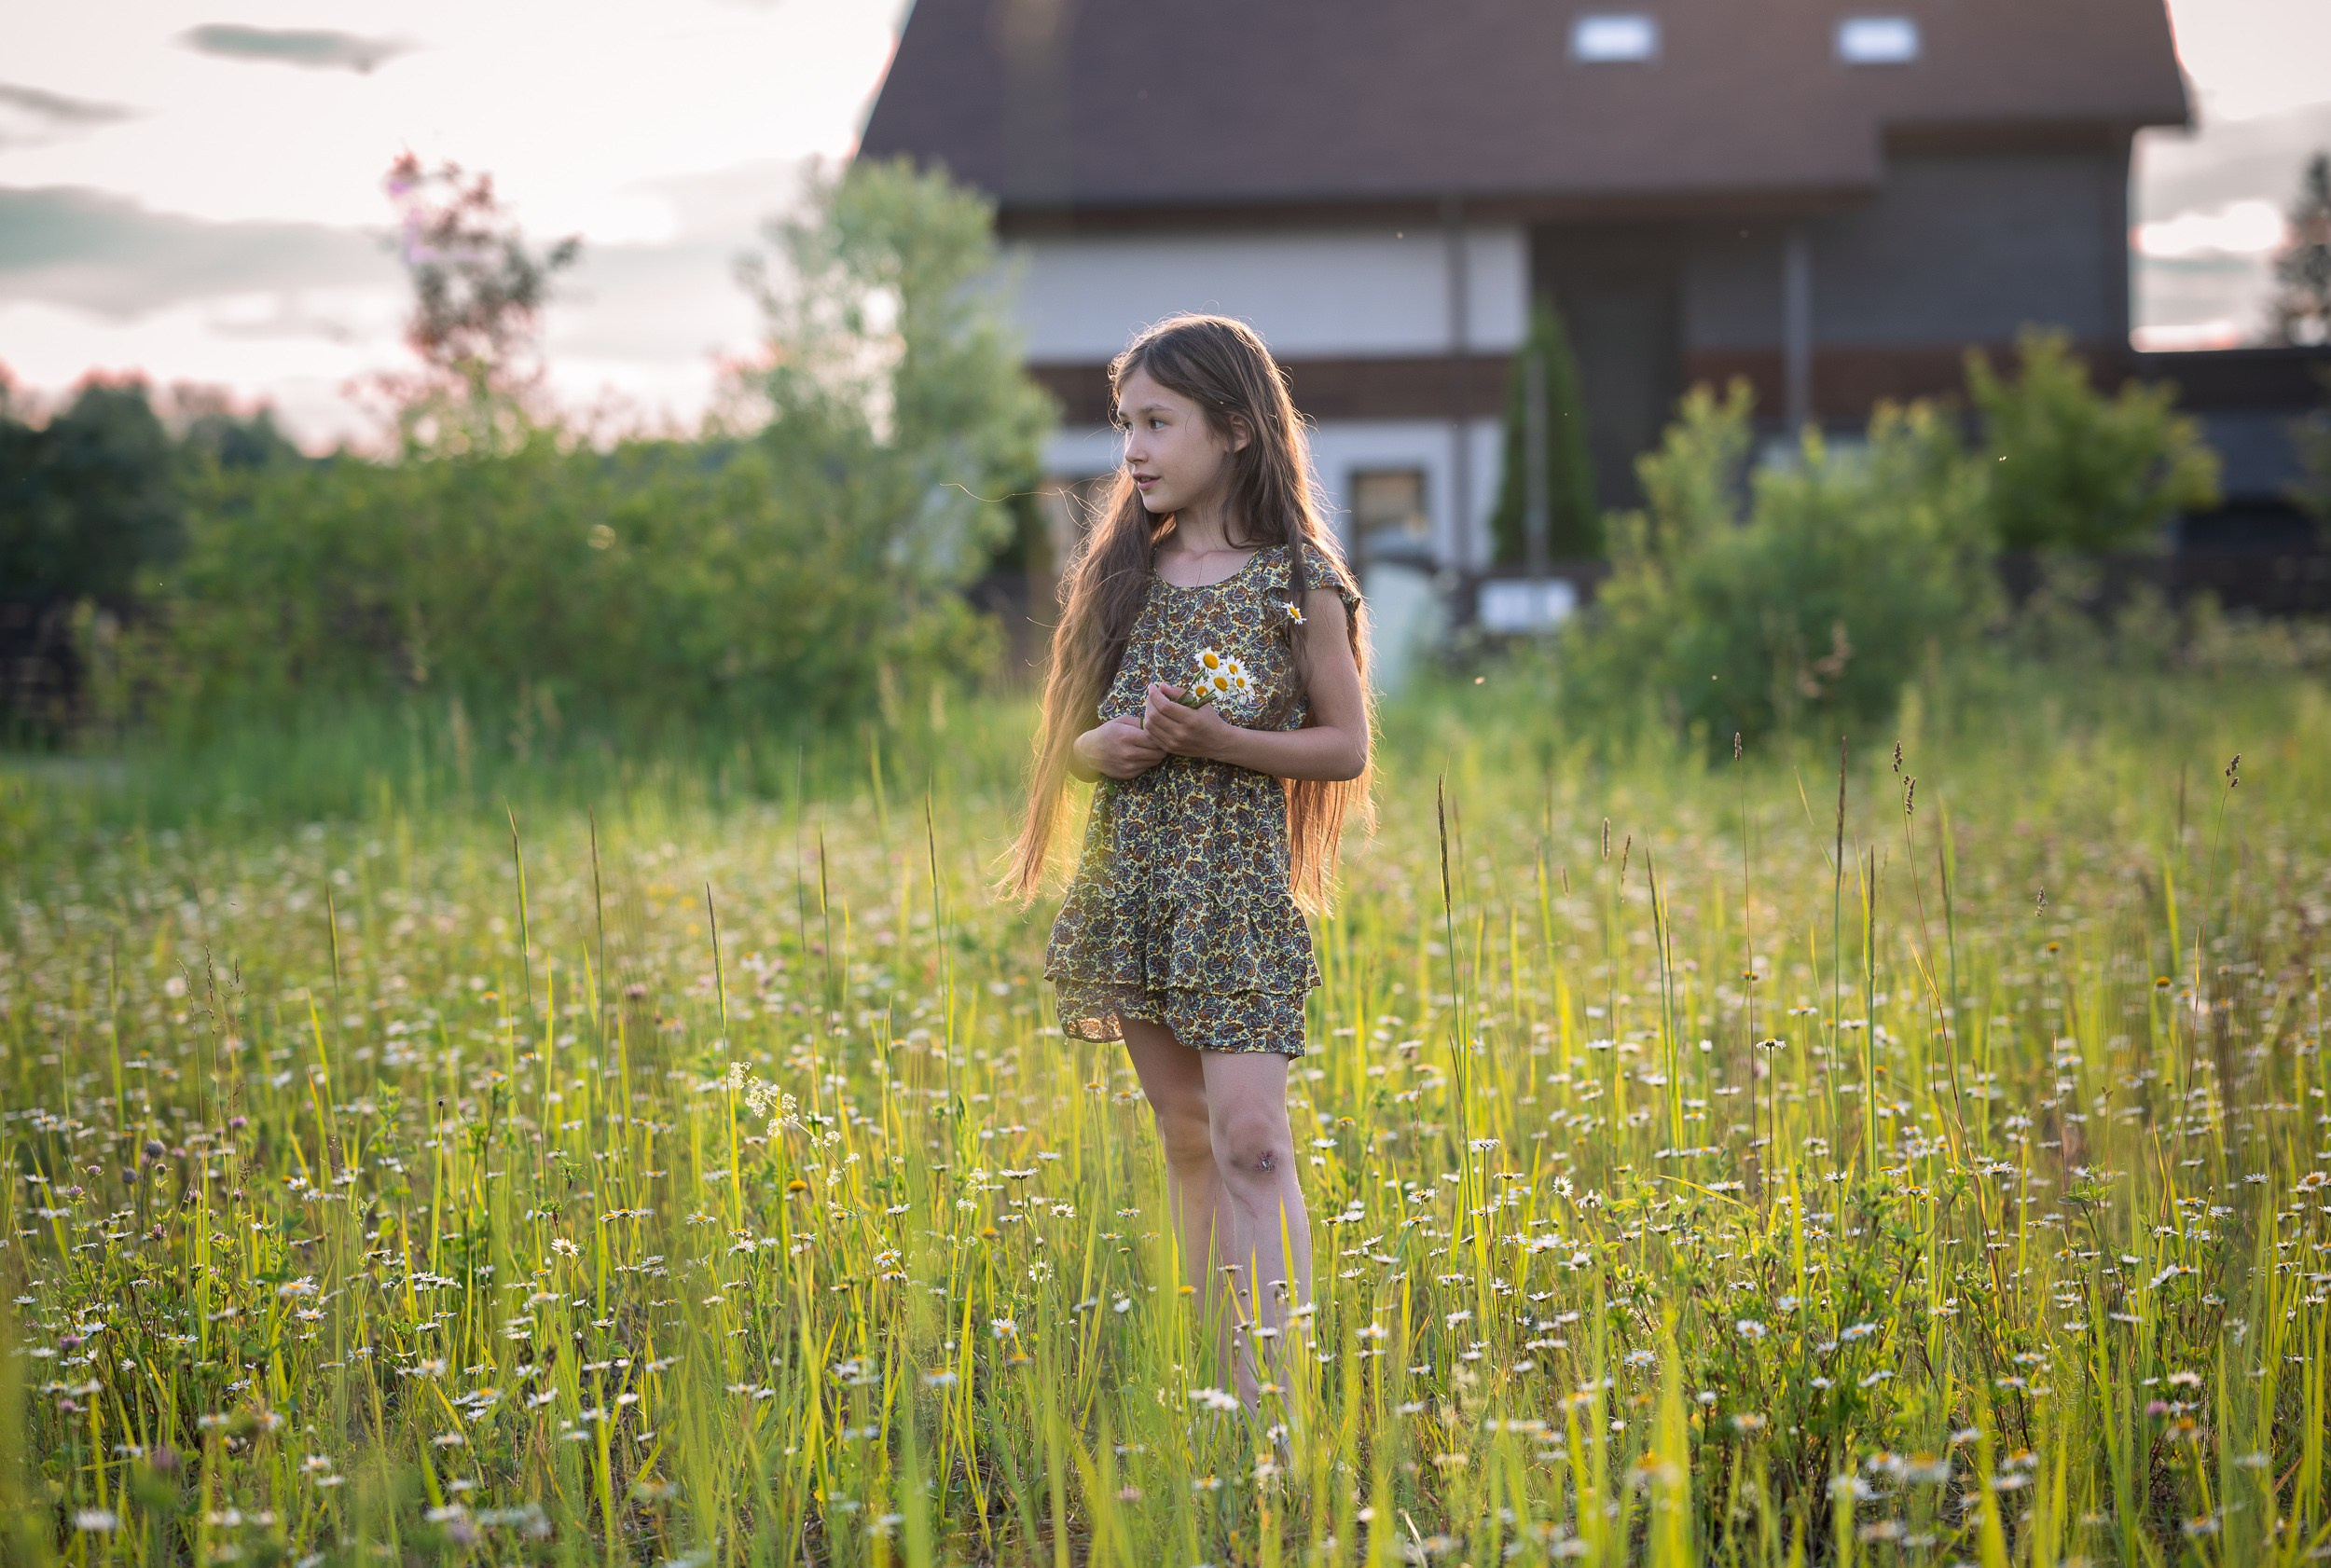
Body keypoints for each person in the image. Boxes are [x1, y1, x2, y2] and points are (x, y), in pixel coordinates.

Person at [1003, 313, 1373, 1409]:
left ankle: (1277, 1406)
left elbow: (1344, 743)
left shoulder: (1298, 578)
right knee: (1185, 1135)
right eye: (1125, 425)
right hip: (1139, 892)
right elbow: (1067, 741)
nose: (1133, 450)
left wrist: (1225, 742)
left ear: (1237, 428)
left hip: (1238, 898)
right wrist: (1104, 748)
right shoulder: (1126, 571)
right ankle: (1225, 1392)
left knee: (1254, 1140)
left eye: (1157, 423)